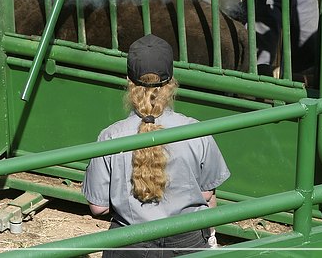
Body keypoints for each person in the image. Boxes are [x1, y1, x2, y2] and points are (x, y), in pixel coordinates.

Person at [82, 34, 230, 256]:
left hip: (129, 244)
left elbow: (98, 207)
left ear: (129, 82)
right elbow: (208, 194)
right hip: (187, 243)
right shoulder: (196, 131)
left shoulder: (110, 136)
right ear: (171, 82)